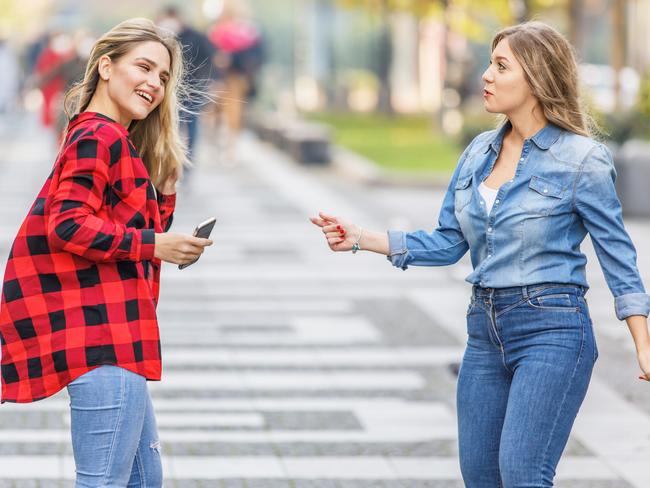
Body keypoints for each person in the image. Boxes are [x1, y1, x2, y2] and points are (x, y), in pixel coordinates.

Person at [311, 21, 650, 487]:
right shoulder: (478, 152)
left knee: (522, 473)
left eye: (501, 66)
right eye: (490, 64)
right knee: (480, 477)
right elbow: (449, 242)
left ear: (536, 77)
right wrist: (360, 237)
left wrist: (642, 341)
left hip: (552, 331)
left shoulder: (581, 159)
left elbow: (618, 256)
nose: (486, 76)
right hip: (484, 333)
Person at [0, 18, 213, 486]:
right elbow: (68, 225)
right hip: (101, 335)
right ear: (104, 66)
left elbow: (126, 230)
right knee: (104, 481)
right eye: (143, 66)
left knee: (141, 480)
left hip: (118, 332)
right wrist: (158, 244)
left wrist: (166, 187)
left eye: (163, 77)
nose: (154, 83)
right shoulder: (97, 135)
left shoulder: (115, 139)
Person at [157, 6, 217, 168]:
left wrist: (210, 81)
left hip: (193, 86)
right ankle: (169, 158)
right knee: (168, 122)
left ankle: (188, 160)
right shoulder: (158, 36)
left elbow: (210, 59)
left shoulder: (196, 37)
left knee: (191, 124)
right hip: (167, 86)